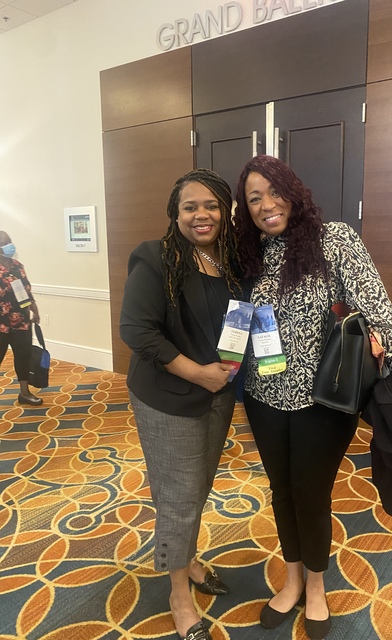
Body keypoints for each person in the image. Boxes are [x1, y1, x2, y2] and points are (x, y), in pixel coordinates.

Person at [233, 156, 392, 640]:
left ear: (293, 192)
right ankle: (291, 579)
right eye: (254, 198)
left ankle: (315, 586)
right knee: (281, 490)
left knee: (311, 493)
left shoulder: (334, 239)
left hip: (324, 400)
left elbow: (378, 308)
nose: (267, 205)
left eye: (274, 192)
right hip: (263, 395)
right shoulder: (249, 254)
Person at [120, 169, 244, 640]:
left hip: (218, 394)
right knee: (178, 496)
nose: (201, 215)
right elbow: (136, 331)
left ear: (226, 212)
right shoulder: (155, 257)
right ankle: (178, 595)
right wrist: (197, 373)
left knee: (199, 485)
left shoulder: (231, 260)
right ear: (175, 214)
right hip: (168, 395)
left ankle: (187, 559)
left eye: (211, 205)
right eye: (190, 207)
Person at [0, 231, 42, 406]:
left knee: (23, 357)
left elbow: (25, 291)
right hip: (1, 325)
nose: (9, 245)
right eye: (5, 243)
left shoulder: (17, 266)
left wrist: (34, 309)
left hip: (22, 322)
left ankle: (24, 393)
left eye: (10, 241)